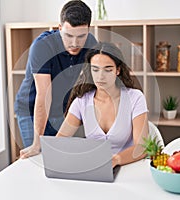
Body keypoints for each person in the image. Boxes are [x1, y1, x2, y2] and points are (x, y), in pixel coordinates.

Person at [21, 42, 149, 167]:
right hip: (94, 168)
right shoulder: (82, 101)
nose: (101, 76)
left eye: (108, 70)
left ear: (118, 70)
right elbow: (60, 141)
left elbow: (141, 148)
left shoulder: (135, 98)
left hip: (129, 167)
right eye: (95, 69)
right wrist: (39, 147)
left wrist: (115, 160)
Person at [15, 0, 97, 154]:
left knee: (61, 157)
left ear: (88, 30)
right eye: (68, 35)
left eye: (81, 36)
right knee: (38, 156)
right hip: (33, 109)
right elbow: (44, 95)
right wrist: (36, 143)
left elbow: (95, 83)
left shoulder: (91, 43)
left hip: (62, 108)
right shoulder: (43, 46)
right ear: (59, 28)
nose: (74, 43)